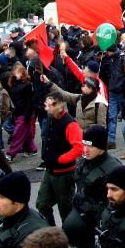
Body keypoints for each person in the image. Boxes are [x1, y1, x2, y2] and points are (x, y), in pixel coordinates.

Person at [62, 125, 121, 248]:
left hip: (97, 230)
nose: (85, 150)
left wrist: (87, 208)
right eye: (84, 144)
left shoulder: (113, 170)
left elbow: (115, 208)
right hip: (81, 233)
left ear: (101, 147)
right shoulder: (84, 162)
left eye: (90, 146)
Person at [35, 92, 83, 226]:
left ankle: (68, 240)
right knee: (42, 204)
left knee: (66, 211)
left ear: (60, 105)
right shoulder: (51, 118)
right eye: (47, 105)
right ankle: (51, 233)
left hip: (64, 174)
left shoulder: (70, 124)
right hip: (49, 171)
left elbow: (78, 148)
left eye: (51, 105)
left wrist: (62, 159)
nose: (47, 108)